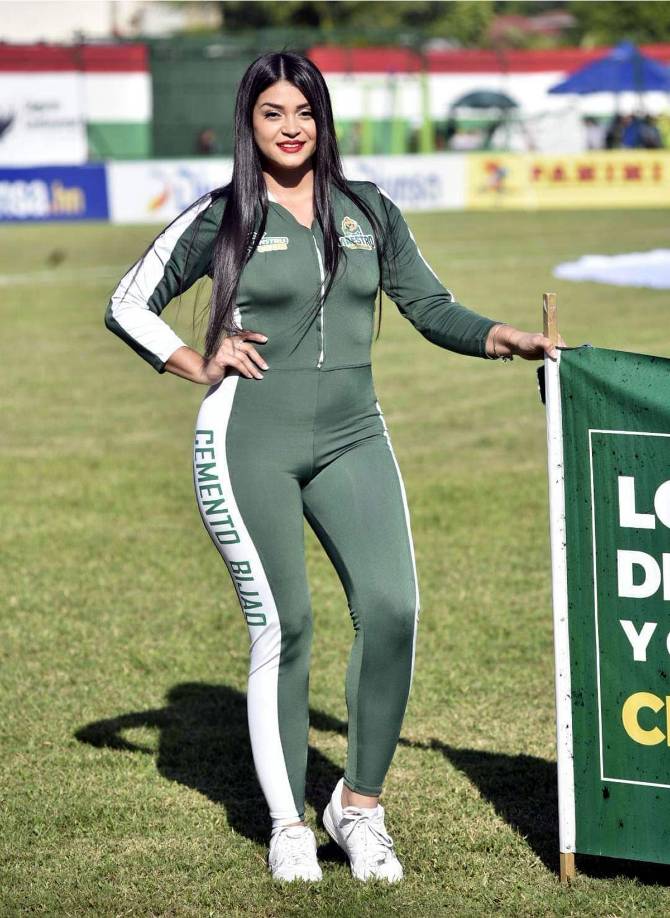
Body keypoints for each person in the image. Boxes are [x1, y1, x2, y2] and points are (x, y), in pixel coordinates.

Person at [104, 51, 558, 884]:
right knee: (288, 625)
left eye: (304, 111)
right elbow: (127, 302)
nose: (291, 127)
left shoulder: (369, 211)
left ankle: (358, 807)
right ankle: (285, 824)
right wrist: (197, 360)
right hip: (249, 440)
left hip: (355, 436)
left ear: (324, 119)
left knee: (392, 608)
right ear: (250, 122)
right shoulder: (222, 216)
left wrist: (505, 339)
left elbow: (429, 305)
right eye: (273, 112)